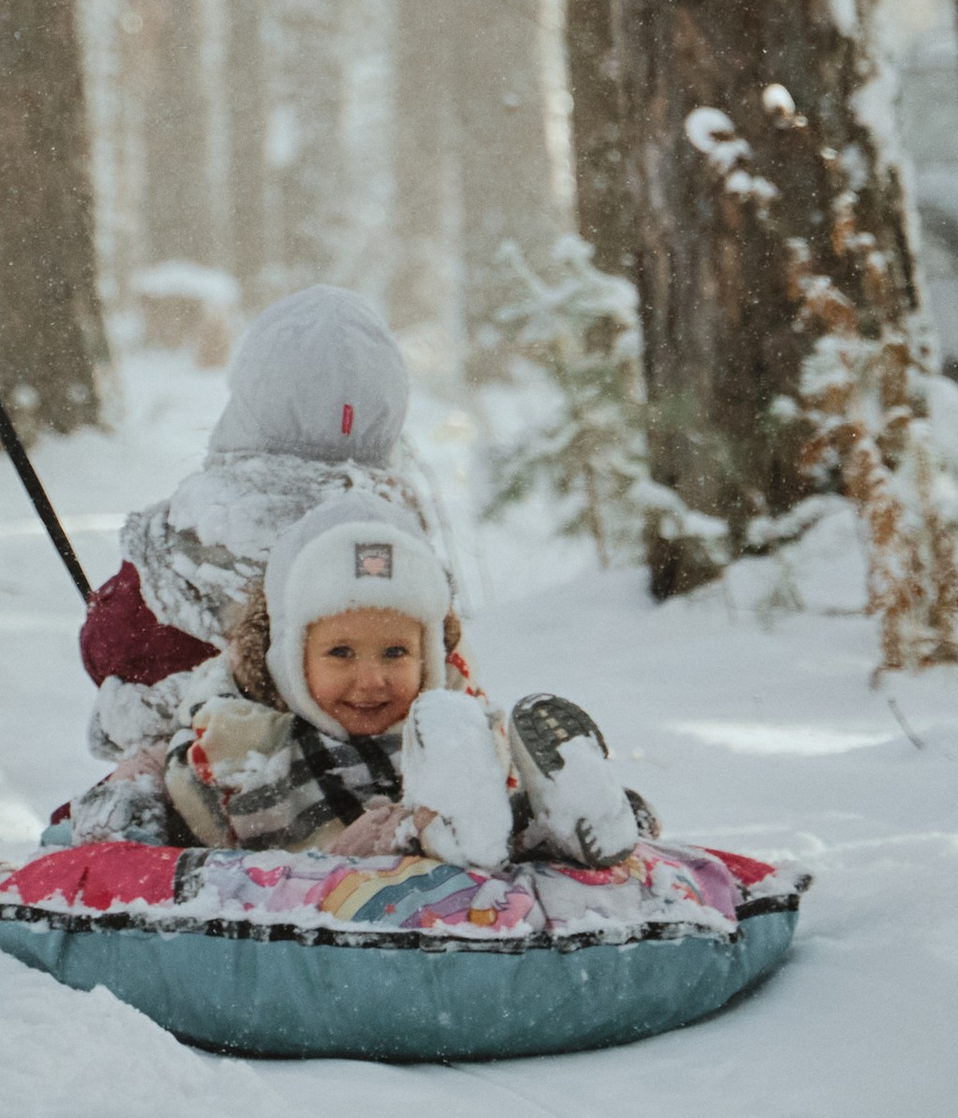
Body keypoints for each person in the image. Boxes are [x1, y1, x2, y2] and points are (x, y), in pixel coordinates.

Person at [72, 491, 648, 874]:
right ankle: (437, 834)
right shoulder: (234, 729)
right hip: (327, 863)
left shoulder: (451, 715)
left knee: (491, 765)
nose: (370, 679)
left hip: (465, 810)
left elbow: (500, 755)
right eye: (340, 652)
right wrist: (127, 805)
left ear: (427, 652)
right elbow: (151, 784)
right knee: (387, 834)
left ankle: (573, 817)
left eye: (397, 652)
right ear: (290, 656)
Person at [80, 285, 445, 759]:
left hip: (195, 770)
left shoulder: (195, 527)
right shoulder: (393, 536)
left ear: (250, 392)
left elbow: (111, 643)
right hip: (372, 772)